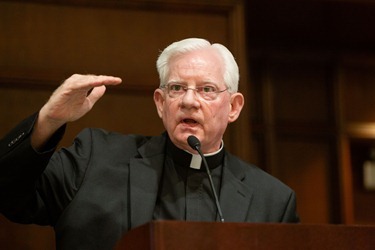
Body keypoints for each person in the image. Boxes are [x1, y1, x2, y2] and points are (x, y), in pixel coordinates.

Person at [0, 38, 299, 249]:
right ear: (160, 102)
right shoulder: (95, 158)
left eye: (206, 89)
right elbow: (8, 194)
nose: (189, 101)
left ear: (233, 107)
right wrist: (48, 121)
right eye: (177, 88)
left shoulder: (271, 201)